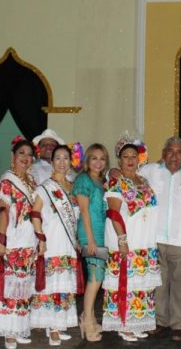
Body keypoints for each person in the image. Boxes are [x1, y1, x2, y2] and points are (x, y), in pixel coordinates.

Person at [103, 134, 161, 341]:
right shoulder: (116, 183)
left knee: (141, 285)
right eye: (126, 157)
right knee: (124, 283)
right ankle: (123, 324)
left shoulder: (143, 180)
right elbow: (114, 213)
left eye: (133, 157)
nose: (130, 160)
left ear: (139, 159)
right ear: (119, 160)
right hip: (128, 240)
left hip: (145, 240)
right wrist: (122, 240)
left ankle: (137, 323)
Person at [139, 136, 181, 341]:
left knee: (180, 284)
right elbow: (127, 175)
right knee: (158, 284)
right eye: (170, 151)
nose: (174, 156)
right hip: (155, 237)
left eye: (179, 152)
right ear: (163, 154)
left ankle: (180, 324)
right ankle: (160, 320)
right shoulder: (150, 171)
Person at [30, 144, 80, 346]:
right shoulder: (45, 187)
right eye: (57, 158)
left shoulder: (73, 187)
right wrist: (40, 237)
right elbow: (35, 213)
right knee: (51, 285)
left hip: (68, 244)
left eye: (65, 158)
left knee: (64, 284)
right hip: (52, 242)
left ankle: (59, 324)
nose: (61, 163)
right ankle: (51, 328)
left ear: (71, 162)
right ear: (52, 162)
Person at [0, 137, 39, 349]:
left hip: (29, 241)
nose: (26, 158)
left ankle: (20, 327)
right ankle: (8, 332)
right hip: (13, 241)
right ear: (13, 156)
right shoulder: (7, 181)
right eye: (22, 153)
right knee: (12, 287)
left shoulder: (32, 181)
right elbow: (3, 212)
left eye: (29, 154)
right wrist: (1, 240)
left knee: (24, 287)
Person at [73, 143, 110, 342]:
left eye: (102, 158)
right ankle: (86, 321)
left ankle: (91, 316)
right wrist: (90, 239)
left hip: (101, 233)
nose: (98, 162)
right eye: (94, 158)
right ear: (87, 160)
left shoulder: (101, 181)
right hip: (91, 234)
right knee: (95, 278)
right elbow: (84, 211)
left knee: (98, 277)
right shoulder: (84, 180)